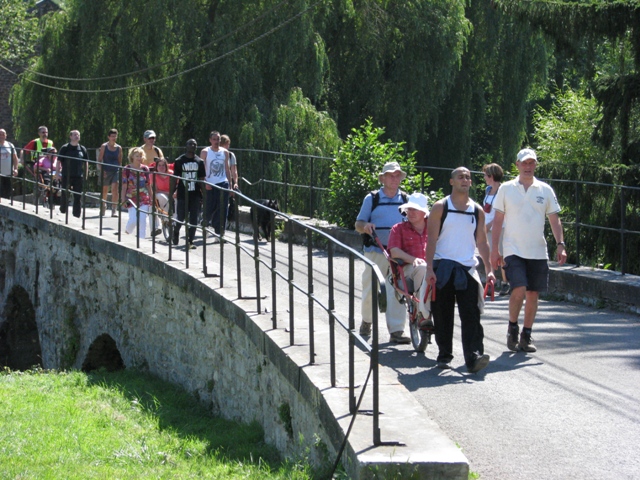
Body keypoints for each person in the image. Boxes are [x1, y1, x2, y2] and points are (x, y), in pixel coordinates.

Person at [491, 148, 567, 353]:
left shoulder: (545, 190)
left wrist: (560, 244)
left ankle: (526, 334)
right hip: (512, 249)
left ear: (535, 165)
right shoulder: (506, 189)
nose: (527, 167)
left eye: (531, 163)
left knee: (533, 294)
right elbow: (497, 221)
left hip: (537, 251)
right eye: (524, 163)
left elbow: (554, 219)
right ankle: (512, 327)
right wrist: (494, 251)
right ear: (517, 165)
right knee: (519, 289)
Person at [425, 167, 494, 373]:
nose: (465, 180)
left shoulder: (477, 210)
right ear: (451, 182)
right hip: (443, 267)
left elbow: (482, 242)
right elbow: (431, 240)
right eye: (460, 177)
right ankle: (444, 355)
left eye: (468, 178)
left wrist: (489, 269)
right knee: (443, 314)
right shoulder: (440, 207)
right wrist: (429, 268)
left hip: (466, 268)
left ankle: (473, 357)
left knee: (471, 314)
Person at [355, 161, 411, 344]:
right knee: (370, 288)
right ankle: (367, 321)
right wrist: (366, 226)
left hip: (398, 252)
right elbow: (358, 224)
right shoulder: (371, 198)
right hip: (375, 250)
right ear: (383, 178)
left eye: (397, 175)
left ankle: (396, 330)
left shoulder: (406, 199)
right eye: (391, 175)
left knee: (399, 289)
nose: (395, 179)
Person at [386, 192, 431, 325]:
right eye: (409, 209)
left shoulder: (434, 228)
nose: (411, 212)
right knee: (422, 268)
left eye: (415, 209)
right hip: (408, 271)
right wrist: (413, 259)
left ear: (424, 212)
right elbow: (394, 251)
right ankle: (423, 313)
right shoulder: (398, 228)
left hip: (433, 267)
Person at [482, 163, 510, 296]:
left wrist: (489, 225)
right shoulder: (488, 190)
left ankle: (505, 283)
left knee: (501, 254)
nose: (484, 177)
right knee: (488, 255)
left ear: (491, 176)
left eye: (485, 175)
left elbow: (502, 212)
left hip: (499, 227)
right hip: (487, 228)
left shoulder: (502, 191)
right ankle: (491, 281)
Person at [173, 139, 206, 249]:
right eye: (190, 144)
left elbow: (202, 180)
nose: (192, 146)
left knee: (194, 219)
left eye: (195, 144)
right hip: (183, 194)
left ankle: (190, 241)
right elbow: (174, 178)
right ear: (186, 146)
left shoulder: (200, 162)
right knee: (181, 217)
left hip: (195, 194)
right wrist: (171, 192)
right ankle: (176, 230)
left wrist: (205, 195)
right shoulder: (179, 161)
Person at [201, 130, 230, 236]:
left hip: (223, 182)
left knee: (222, 208)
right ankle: (205, 223)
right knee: (209, 207)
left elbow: (227, 169)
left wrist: (230, 185)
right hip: (210, 183)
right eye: (214, 139)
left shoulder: (225, 152)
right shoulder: (205, 152)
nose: (216, 141)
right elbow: (201, 169)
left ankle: (219, 231)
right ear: (210, 140)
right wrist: (205, 182)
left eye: (218, 139)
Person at [120, 147, 152, 238]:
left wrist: (152, 198)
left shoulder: (145, 169)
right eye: (137, 156)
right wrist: (123, 199)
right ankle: (127, 232)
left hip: (143, 198)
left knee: (142, 221)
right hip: (131, 198)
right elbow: (124, 186)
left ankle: (141, 242)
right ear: (132, 157)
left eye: (141, 156)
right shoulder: (127, 169)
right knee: (133, 220)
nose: (139, 158)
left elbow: (148, 184)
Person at [58, 130, 89, 218]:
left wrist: (86, 174)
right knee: (64, 193)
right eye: (75, 135)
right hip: (66, 175)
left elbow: (86, 162)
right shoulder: (65, 148)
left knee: (78, 195)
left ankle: (76, 214)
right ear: (70, 136)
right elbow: (58, 161)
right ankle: (63, 210)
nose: (77, 136)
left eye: (78, 135)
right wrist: (57, 173)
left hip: (78, 175)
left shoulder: (82, 149)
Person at [98, 128, 123, 217]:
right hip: (106, 170)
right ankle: (103, 206)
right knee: (104, 190)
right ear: (109, 137)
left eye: (115, 136)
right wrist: (102, 170)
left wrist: (120, 171)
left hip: (115, 170)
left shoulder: (119, 148)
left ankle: (114, 209)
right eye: (112, 136)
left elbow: (120, 161)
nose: (114, 138)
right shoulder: (104, 146)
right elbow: (99, 160)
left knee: (115, 190)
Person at [150, 157, 173, 234]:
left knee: (178, 200)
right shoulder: (154, 175)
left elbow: (177, 185)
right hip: (160, 194)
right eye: (159, 165)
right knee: (161, 197)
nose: (161, 167)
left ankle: (174, 221)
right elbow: (154, 189)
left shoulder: (171, 174)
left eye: (163, 165)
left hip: (172, 194)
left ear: (166, 166)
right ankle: (166, 219)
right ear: (156, 166)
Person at [0, 129, 19, 201]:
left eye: (3, 134)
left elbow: (15, 158)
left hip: (8, 173)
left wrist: (16, 168)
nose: (1, 136)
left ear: (6, 136)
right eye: (0, 134)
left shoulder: (10, 145)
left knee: (8, 191)